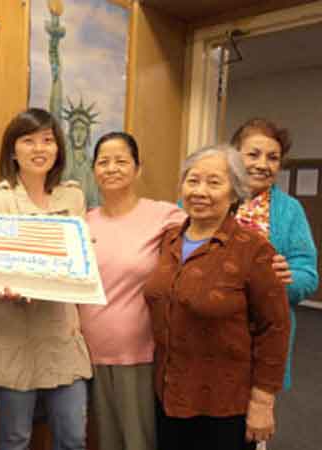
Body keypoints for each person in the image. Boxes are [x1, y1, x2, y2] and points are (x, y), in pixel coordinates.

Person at [144, 145, 290, 450]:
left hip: (225, 405)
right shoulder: (167, 240)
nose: (200, 191)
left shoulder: (253, 250)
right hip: (169, 396)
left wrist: (263, 402)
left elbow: (274, 329)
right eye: (193, 180)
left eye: (214, 182)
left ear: (235, 192)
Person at [0, 108, 92, 450]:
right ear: (13, 150)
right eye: (29, 140)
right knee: (15, 438)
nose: (40, 148)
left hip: (59, 332)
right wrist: (7, 286)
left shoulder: (73, 196)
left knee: (73, 437)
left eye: (48, 140)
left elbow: (78, 261)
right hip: (12, 334)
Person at [78, 132, 186, 450]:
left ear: (138, 169)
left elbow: (209, 237)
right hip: (87, 354)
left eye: (122, 161)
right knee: (105, 441)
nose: (112, 168)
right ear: (93, 169)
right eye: (104, 162)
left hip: (137, 353)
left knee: (139, 440)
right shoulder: (83, 222)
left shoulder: (164, 215)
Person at [231, 118, 319, 390]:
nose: (262, 164)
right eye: (253, 154)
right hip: (206, 331)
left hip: (263, 335)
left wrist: (285, 278)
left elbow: (307, 273)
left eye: (273, 158)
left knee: (252, 423)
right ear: (234, 156)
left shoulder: (290, 210)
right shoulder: (205, 195)